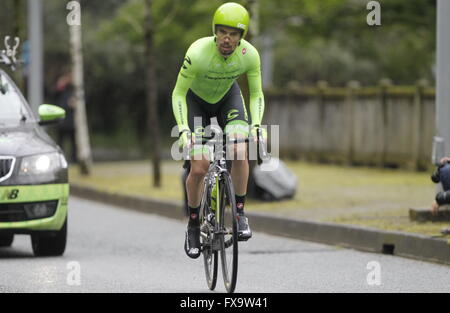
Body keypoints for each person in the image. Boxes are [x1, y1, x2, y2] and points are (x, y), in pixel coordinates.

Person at [172, 2, 266, 258]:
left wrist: (256, 125)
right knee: (200, 166)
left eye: (233, 33)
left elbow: (256, 94)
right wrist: (183, 130)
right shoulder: (198, 52)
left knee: (238, 148)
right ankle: (193, 224)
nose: (227, 38)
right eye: (222, 32)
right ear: (215, 32)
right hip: (196, 103)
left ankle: (239, 213)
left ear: (241, 36)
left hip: (228, 99)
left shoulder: (250, 55)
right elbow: (179, 93)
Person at [54, 69, 77, 163]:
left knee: (73, 143)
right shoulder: (60, 90)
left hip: (71, 122)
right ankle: (60, 159)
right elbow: (54, 95)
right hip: (62, 121)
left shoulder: (74, 89)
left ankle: (74, 160)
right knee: (61, 142)